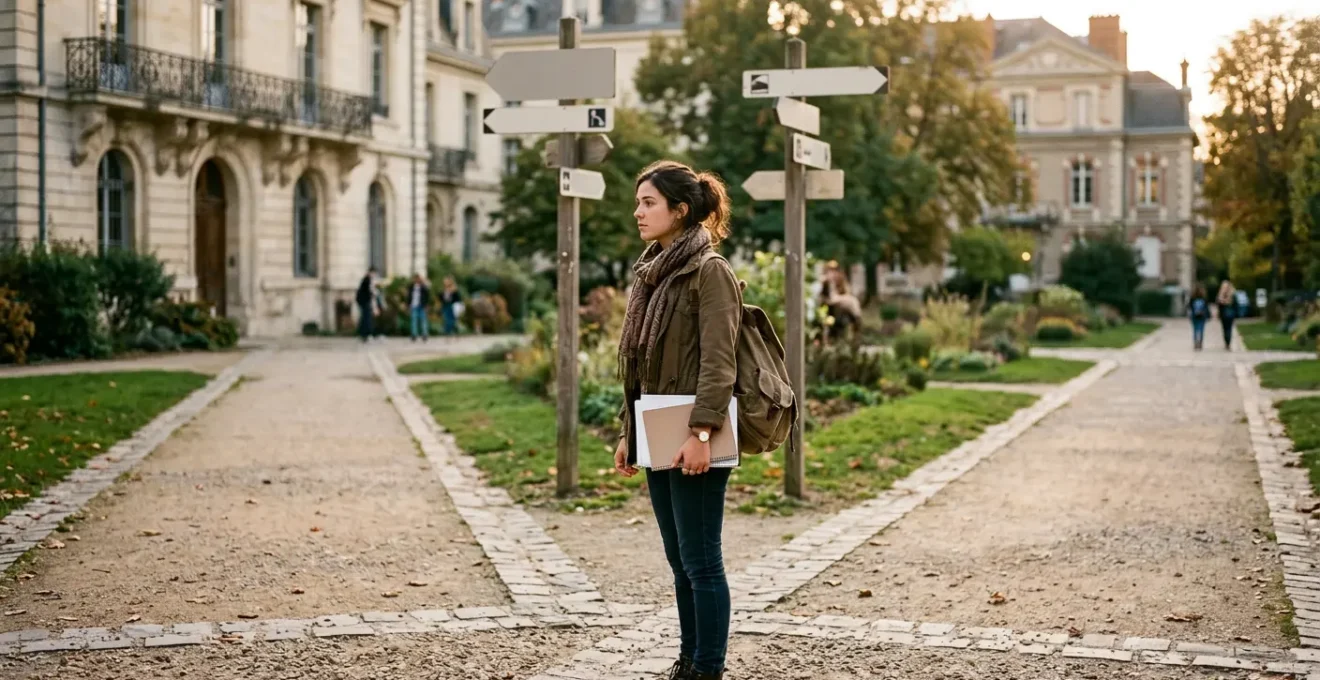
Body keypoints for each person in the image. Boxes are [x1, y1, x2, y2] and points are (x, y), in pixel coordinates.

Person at [613, 160, 739, 680]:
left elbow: (720, 361)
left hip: (693, 433)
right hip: (655, 425)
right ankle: (687, 663)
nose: (638, 212)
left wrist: (702, 433)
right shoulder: (652, 274)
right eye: (639, 202)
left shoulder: (709, 272)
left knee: (702, 560)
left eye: (649, 203)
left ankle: (707, 670)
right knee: (680, 562)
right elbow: (640, 362)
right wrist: (629, 431)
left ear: (680, 211)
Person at [355, 267, 379, 342]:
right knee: (366, 318)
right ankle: (366, 334)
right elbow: (370, 291)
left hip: (364, 302)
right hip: (365, 302)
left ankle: (364, 334)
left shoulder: (366, 279)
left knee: (364, 318)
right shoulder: (367, 280)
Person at [408, 273, 432, 342]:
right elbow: (409, 296)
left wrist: (427, 305)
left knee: (423, 320)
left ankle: (424, 334)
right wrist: (408, 304)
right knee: (414, 321)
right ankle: (414, 334)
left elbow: (427, 296)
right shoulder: (411, 287)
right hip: (414, 305)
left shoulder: (423, 287)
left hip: (422, 305)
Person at [1187, 284, 1210, 351]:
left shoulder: (1192, 298)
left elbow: (1189, 307)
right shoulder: (1204, 298)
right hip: (1202, 316)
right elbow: (1206, 308)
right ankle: (1200, 343)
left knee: (1195, 330)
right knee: (1201, 329)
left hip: (1194, 316)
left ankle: (1195, 343)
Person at [1217, 279, 1237, 351]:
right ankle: (1228, 343)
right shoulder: (1232, 294)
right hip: (1230, 314)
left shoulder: (1221, 295)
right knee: (1229, 329)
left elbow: (1219, 306)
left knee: (1225, 329)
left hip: (1224, 314)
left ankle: (1226, 343)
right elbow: (1235, 305)